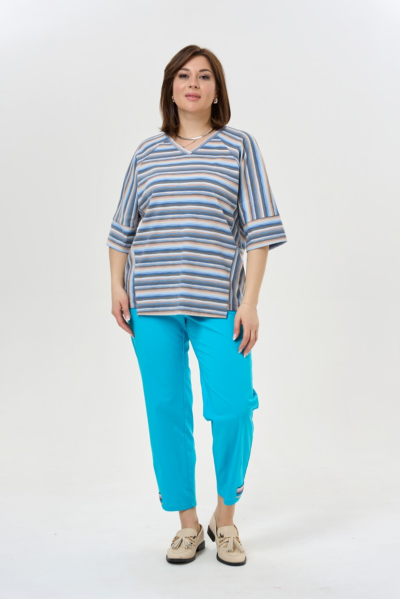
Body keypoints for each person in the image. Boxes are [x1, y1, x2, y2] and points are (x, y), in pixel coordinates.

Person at [106, 45, 288, 566]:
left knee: (232, 407)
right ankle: (186, 524)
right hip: (151, 304)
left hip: (220, 304)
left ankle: (224, 518)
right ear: (170, 88)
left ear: (216, 90)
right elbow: (122, 229)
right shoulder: (147, 153)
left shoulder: (239, 147)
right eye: (184, 75)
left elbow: (259, 232)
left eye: (204, 76)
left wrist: (250, 303)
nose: (193, 84)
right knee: (166, 409)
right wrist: (116, 286)